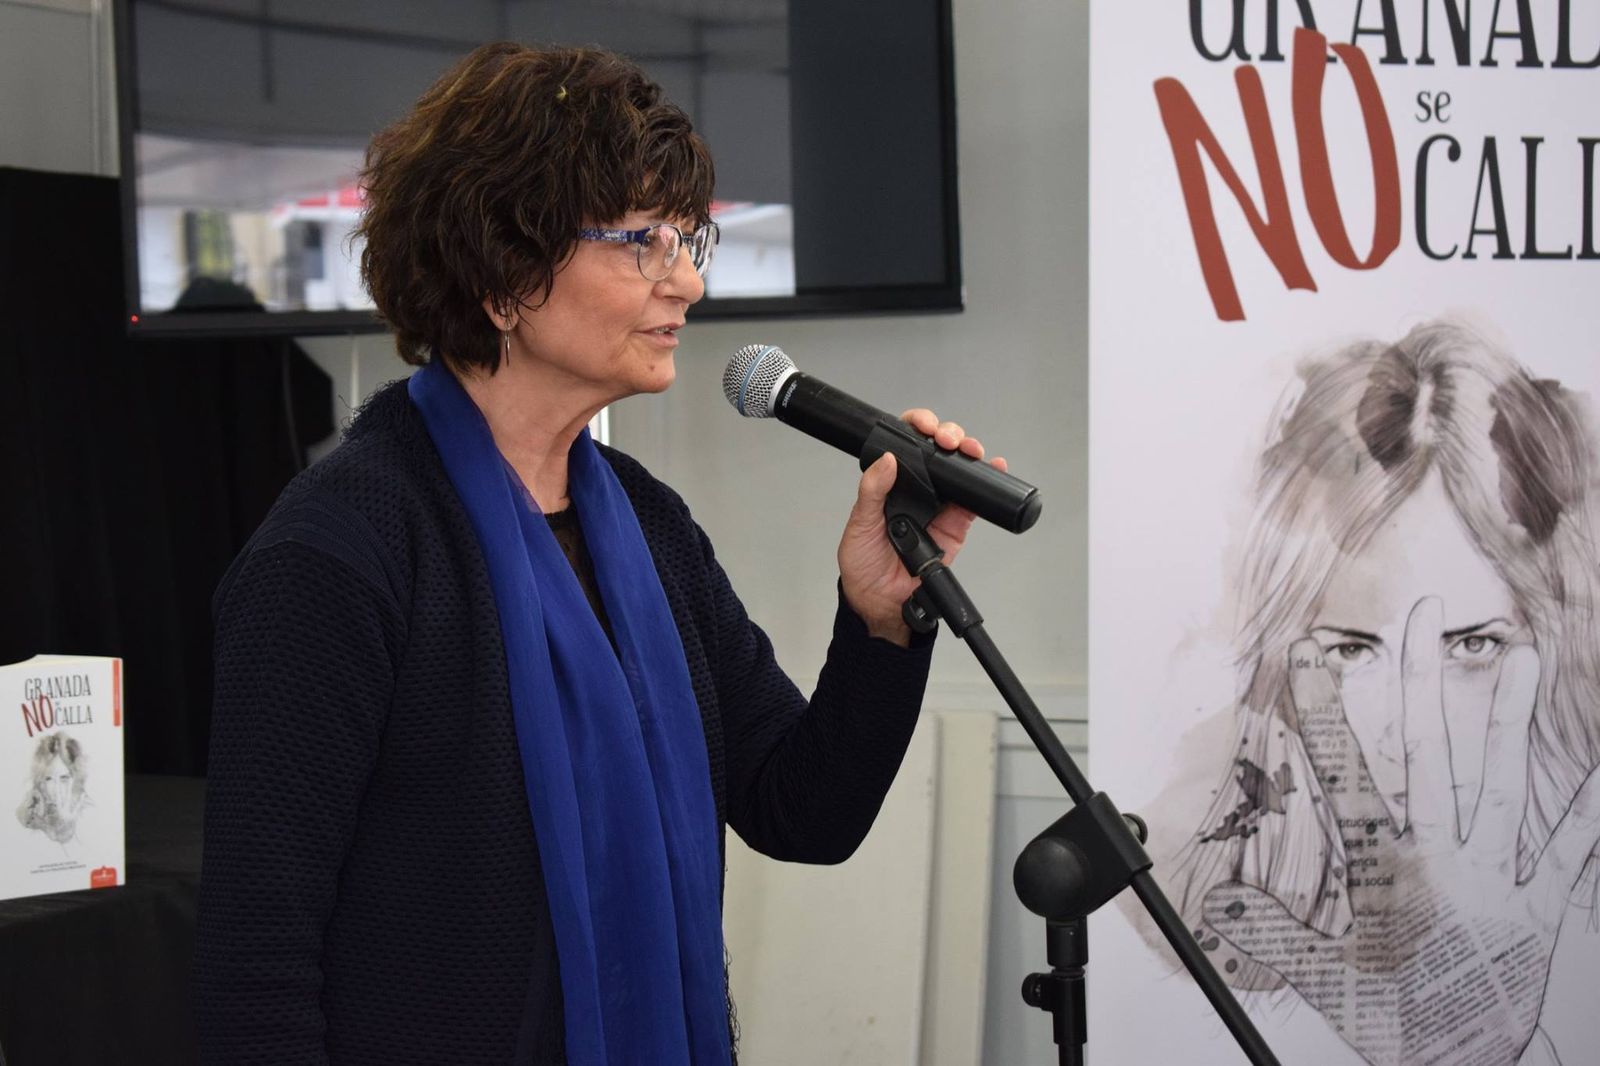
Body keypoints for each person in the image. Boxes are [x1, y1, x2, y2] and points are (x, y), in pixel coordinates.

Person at [193, 42, 1000, 1066]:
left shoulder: (649, 527)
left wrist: (881, 617)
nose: (688, 280)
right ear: (504, 273)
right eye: (643, 241)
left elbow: (804, 812)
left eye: (688, 238)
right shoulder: (339, 552)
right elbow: (256, 969)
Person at [1162, 321, 1600, 1065]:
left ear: (1553, 646)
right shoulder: (1194, 960)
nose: (1406, 728)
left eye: (1472, 646)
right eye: (1354, 651)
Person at [16, 731, 87, 845]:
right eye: (48, 779)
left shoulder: (87, 813)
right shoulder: (31, 814)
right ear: (40, 782)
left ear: (76, 779)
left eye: (64, 778)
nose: (56, 791)